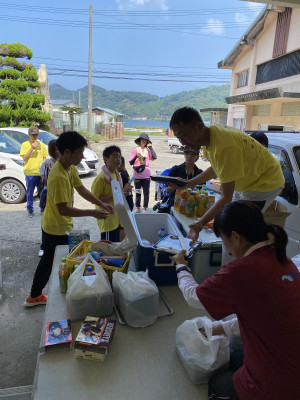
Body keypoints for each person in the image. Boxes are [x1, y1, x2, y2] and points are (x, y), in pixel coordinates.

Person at [173, 200, 300, 400]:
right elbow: (262, 316)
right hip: (290, 358)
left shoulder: (240, 271)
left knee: (216, 383)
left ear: (236, 237)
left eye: (225, 243)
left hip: (281, 385)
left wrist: (181, 266)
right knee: (234, 359)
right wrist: (220, 328)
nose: (229, 251)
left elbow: (193, 296)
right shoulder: (283, 259)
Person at [24, 131, 114, 307]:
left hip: (61, 225)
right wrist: (92, 212)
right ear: (66, 152)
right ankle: (36, 295)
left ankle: (35, 295)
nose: (82, 156)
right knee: (53, 261)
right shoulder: (57, 176)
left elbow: (82, 190)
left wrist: (101, 205)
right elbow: (63, 209)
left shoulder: (70, 167)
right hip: (54, 227)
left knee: (54, 260)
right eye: (79, 153)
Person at [169, 107, 285, 241]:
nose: (182, 142)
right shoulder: (211, 137)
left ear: (198, 127)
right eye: (178, 137)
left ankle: (242, 259)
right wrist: (189, 183)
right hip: (246, 182)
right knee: (230, 227)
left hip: (263, 184)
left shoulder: (223, 145)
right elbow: (216, 168)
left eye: (183, 135)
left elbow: (226, 198)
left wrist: (199, 224)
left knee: (237, 233)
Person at [91, 146, 131, 242]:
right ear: (105, 159)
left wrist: (124, 193)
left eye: (119, 156)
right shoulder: (101, 178)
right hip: (107, 220)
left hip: (117, 218)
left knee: (116, 247)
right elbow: (94, 199)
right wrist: (116, 195)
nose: (118, 159)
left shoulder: (117, 175)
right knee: (108, 248)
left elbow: (118, 195)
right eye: (115, 156)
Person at [20, 126, 48, 217]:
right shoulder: (25, 144)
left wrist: (43, 163)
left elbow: (44, 157)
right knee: (30, 192)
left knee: (42, 192)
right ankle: (30, 209)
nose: (35, 136)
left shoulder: (42, 145)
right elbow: (24, 158)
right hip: (30, 172)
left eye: (36, 134)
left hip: (40, 172)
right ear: (29, 135)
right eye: (33, 135)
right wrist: (31, 148)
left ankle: (42, 209)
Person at [129, 133, 157, 212]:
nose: (144, 142)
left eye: (146, 141)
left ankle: (145, 207)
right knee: (138, 192)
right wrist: (136, 156)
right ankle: (138, 207)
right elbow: (131, 162)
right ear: (139, 141)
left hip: (146, 175)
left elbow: (154, 157)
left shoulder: (148, 150)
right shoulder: (135, 150)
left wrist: (150, 147)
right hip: (137, 175)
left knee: (146, 193)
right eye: (143, 140)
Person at [39, 139, 60, 215]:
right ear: (52, 151)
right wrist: (50, 172)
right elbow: (44, 182)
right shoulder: (46, 163)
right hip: (49, 194)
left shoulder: (66, 164)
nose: (59, 151)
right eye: (56, 149)